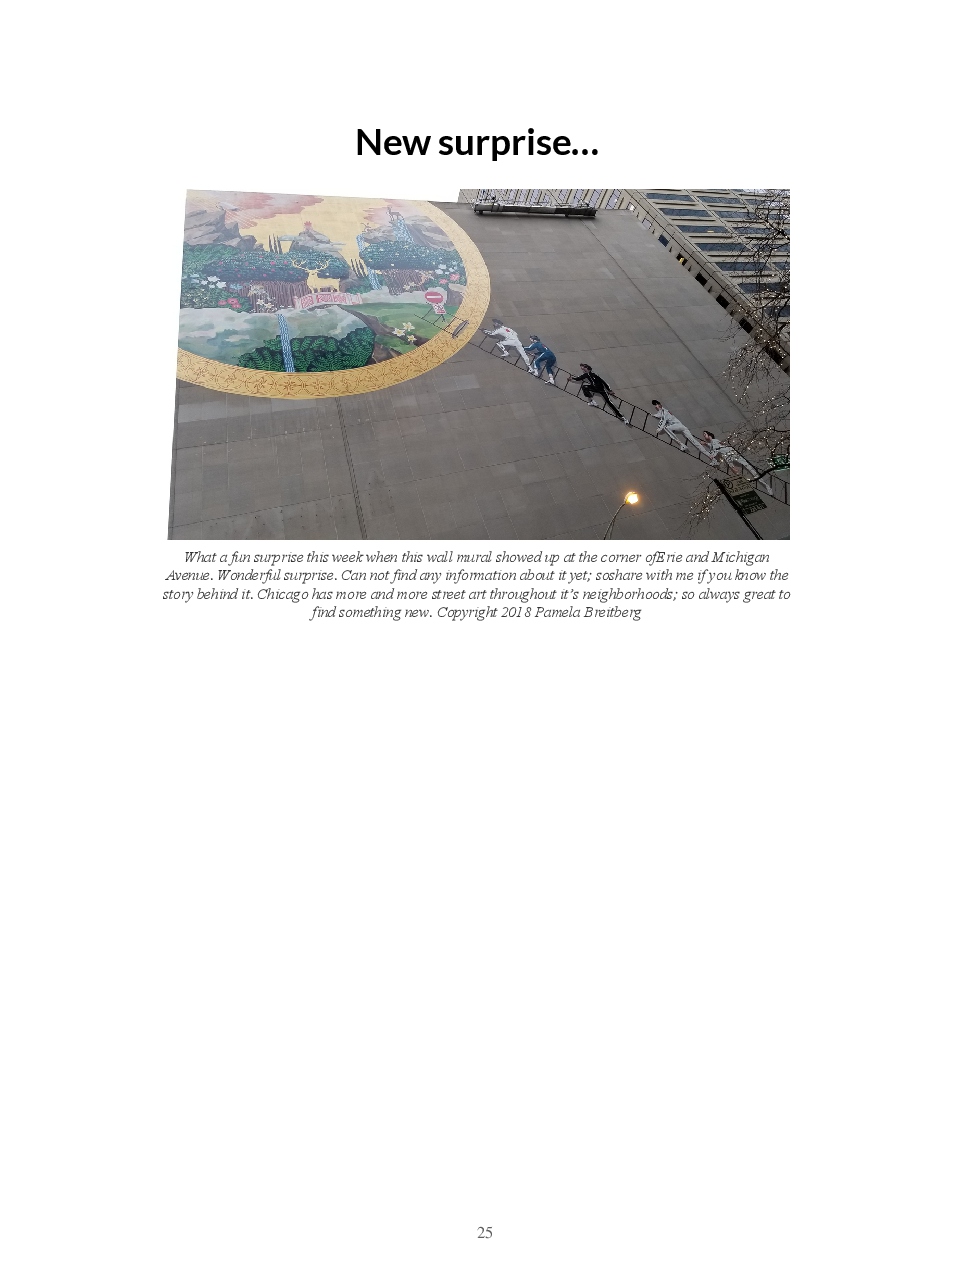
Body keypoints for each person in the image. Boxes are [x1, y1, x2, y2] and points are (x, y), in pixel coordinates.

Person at [699, 431, 774, 494]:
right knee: (745, 470)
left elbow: (715, 448)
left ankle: (766, 486)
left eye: (705, 434)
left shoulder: (715, 442)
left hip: (731, 455)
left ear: (709, 435)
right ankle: (761, 485)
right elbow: (714, 448)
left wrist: (705, 444)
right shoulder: (714, 444)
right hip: (728, 457)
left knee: (750, 469)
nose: (704, 436)